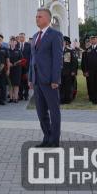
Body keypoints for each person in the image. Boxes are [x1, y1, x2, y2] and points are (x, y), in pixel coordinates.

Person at [29, 8, 63, 148]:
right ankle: (47, 137)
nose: (37, 19)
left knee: (54, 111)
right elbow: (33, 58)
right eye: (36, 16)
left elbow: (58, 59)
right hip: (37, 80)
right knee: (41, 112)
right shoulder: (35, 36)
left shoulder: (55, 35)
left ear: (48, 19)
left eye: (40, 17)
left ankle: (54, 140)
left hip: (49, 80)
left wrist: (55, 80)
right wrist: (30, 78)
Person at [81, 31, 97, 105]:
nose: (92, 40)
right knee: (90, 84)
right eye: (91, 39)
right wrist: (85, 71)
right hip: (90, 71)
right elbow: (84, 62)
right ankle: (91, 98)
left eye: (94, 39)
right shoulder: (87, 50)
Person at [60, 36, 78, 104]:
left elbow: (73, 62)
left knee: (68, 86)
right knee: (61, 86)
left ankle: (68, 99)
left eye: (63, 42)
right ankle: (62, 99)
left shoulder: (69, 51)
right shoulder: (57, 51)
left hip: (68, 72)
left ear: (65, 43)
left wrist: (73, 71)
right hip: (60, 72)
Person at [0, 33, 9, 105]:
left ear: (2, 41)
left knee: (3, 85)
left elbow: (7, 60)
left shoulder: (5, 49)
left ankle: (2, 99)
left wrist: (8, 70)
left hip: (3, 70)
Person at [7, 38, 23, 103]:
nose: (12, 43)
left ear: (16, 43)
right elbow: (5, 59)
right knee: (10, 84)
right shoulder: (7, 51)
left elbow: (22, 60)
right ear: (9, 43)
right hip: (9, 69)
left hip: (17, 70)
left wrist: (15, 64)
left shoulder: (18, 50)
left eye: (13, 42)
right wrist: (8, 63)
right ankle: (11, 98)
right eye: (11, 41)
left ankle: (16, 98)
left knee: (16, 84)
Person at [17, 33, 32, 101]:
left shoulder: (28, 45)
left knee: (26, 81)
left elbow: (30, 56)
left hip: (26, 66)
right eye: (20, 37)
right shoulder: (16, 45)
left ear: (24, 38)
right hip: (18, 67)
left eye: (22, 37)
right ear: (19, 38)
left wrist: (30, 65)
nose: (21, 38)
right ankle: (20, 95)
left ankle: (26, 95)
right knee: (19, 81)